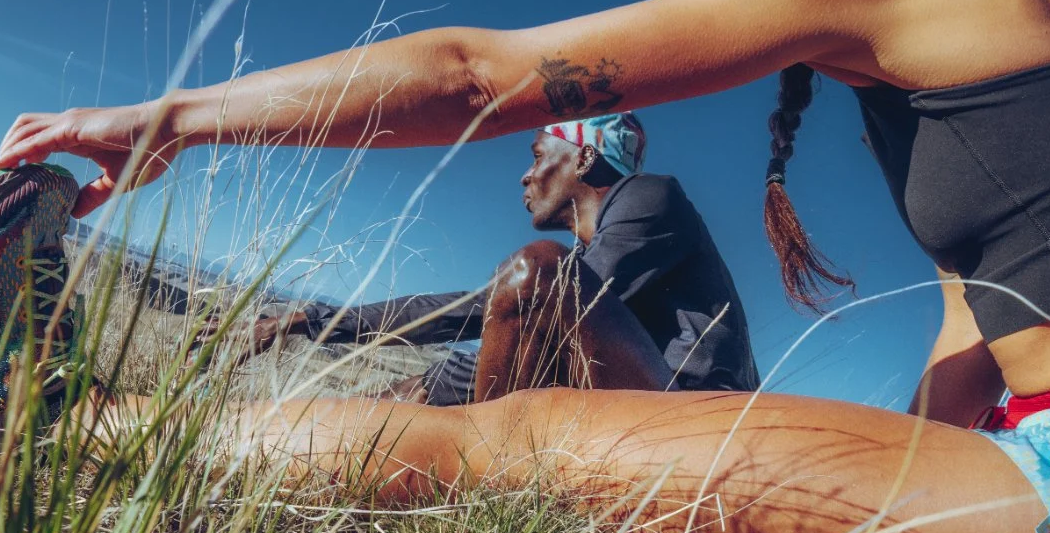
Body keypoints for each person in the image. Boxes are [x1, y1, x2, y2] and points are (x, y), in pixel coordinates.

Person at [0, 0, 1050, 533]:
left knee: (511, 436)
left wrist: (168, 116)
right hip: (1030, 449)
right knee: (509, 392)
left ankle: (59, 434)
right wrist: (910, 498)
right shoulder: (1008, 16)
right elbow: (968, 317)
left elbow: (472, 76)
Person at [192, 112, 759, 404]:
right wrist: (308, 320)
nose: (526, 173)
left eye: (538, 155)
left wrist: (436, 385)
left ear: (584, 158)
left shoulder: (651, 197)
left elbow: (512, 303)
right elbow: (481, 308)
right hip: (642, 405)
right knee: (414, 392)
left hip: (693, 421)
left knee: (535, 269)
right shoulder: (597, 258)